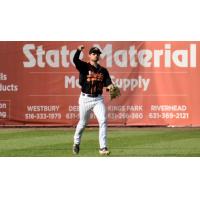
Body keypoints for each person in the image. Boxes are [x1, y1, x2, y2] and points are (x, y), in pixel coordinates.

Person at [72, 45, 114, 155]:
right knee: (83, 123)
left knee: (103, 121)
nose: (96, 55)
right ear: (89, 55)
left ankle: (103, 147)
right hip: (85, 98)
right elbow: (75, 60)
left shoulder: (103, 70)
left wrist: (110, 87)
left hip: (98, 99)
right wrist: (78, 50)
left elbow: (108, 83)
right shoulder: (84, 67)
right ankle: (76, 143)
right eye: (94, 53)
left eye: (97, 53)